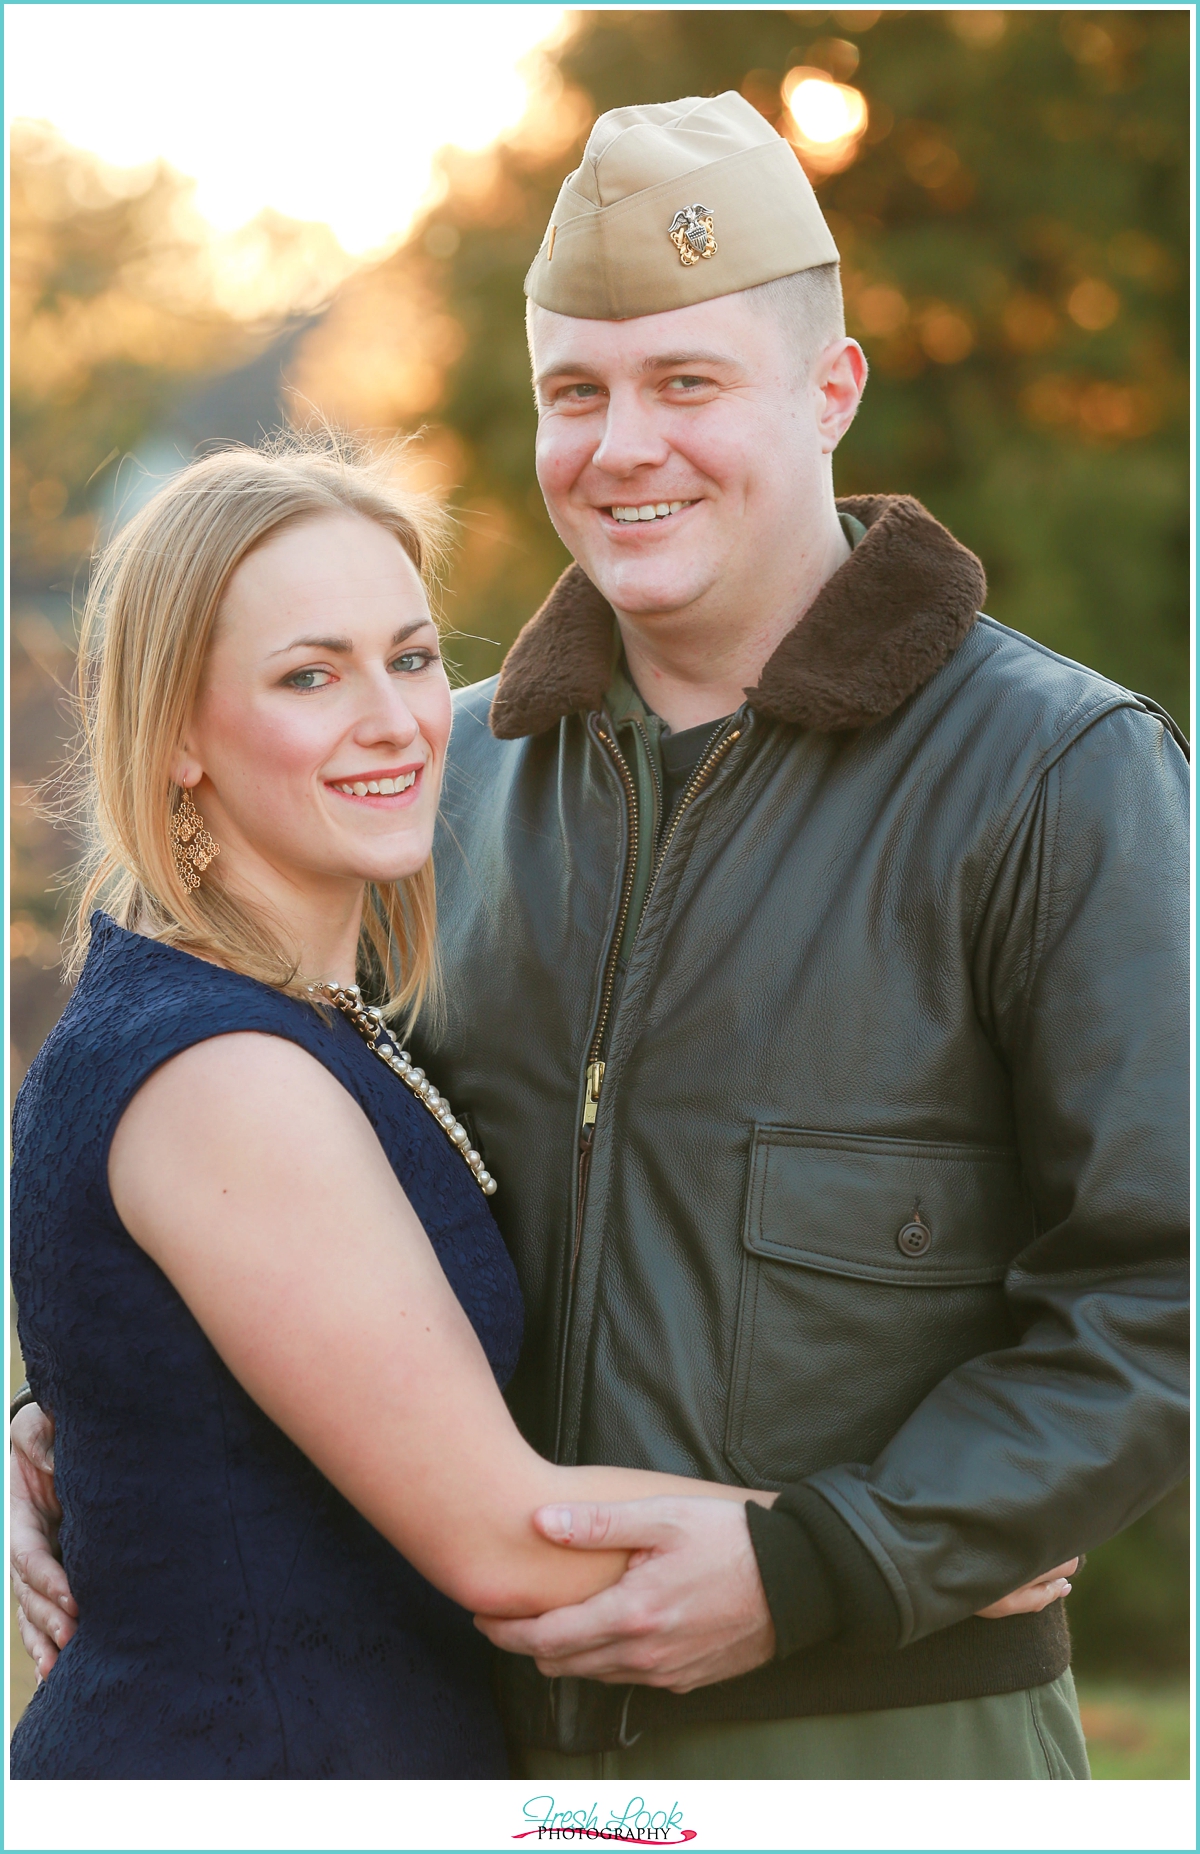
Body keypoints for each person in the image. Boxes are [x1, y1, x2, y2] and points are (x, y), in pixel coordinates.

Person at [13, 92, 1187, 1780]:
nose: (623, 446)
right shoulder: (439, 784)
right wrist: (95, 1425)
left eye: (688, 383)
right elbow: (294, 1198)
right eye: (579, 390)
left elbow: (1162, 1297)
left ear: (830, 389)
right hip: (488, 1755)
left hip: (886, 1763)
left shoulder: (1056, 777)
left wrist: (839, 1561)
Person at [6, 437, 788, 1779]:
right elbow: (501, 1533)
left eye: (413, 656)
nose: (397, 718)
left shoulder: (291, 1010)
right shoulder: (223, 1072)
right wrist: (925, 1545)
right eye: (311, 674)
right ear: (178, 735)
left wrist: (53, 1415)